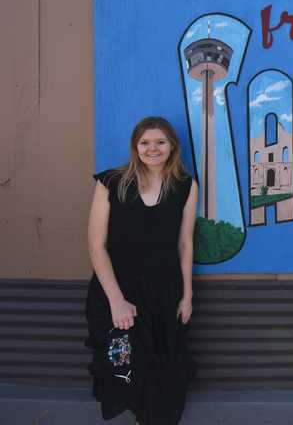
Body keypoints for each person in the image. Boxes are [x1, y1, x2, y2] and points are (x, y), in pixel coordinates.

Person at [85, 116, 198, 424]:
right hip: (117, 292)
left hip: (164, 293)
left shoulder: (185, 186)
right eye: (145, 142)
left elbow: (185, 244)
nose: (153, 149)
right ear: (135, 147)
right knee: (124, 365)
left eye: (160, 142)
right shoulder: (111, 182)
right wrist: (116, 301)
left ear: (172, 146)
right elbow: (96, 245)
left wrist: (187, 296)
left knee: (164, 371)